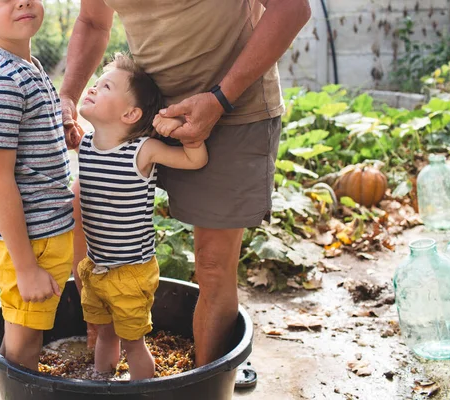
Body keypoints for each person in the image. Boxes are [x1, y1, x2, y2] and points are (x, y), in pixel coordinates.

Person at [60, 0, 311, 368]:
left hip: (232, 106)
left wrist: (220, 99)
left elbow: (292, 8)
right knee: (83, 212)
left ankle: (205, 380)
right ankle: (102, 356)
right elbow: (94, 22)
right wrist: (67, 93)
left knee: (212, 264)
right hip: (141, 114)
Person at [76, 53, 208, 380]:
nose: (92, 88)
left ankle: (142, 390)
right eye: (96, 82)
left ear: (130, 113)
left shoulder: (142, 149)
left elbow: (195, 160)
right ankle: (101, 380)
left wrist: (186, 133)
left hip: (131, 272)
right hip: (97, 267)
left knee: (134, 343)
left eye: (105, 86)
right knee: (105, 333)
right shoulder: (87, 144)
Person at [0, 0, 75, 370]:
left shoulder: (27, 66)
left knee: (35, 327)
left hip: (46, 232)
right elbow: (0, 181)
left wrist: (57, 133)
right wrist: (26, 267)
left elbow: (28, 144)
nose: (23, 1)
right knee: (25, 337)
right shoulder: (1, 81)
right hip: (30, 240)